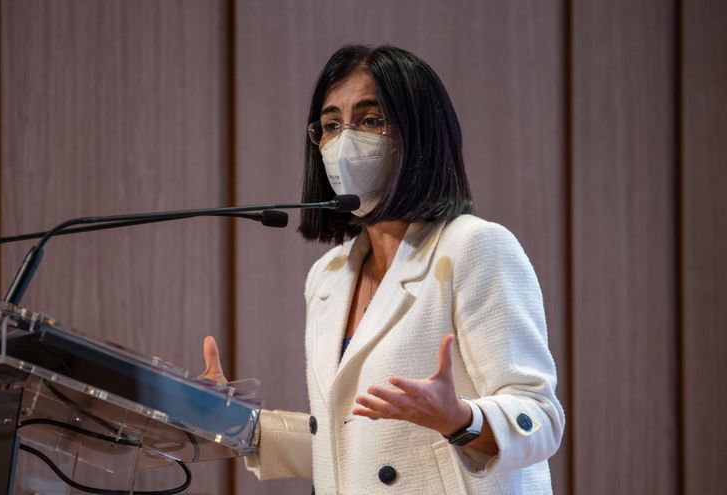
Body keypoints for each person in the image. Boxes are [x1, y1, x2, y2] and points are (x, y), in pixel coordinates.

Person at [201, 45, 565, 494]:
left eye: (370, 120)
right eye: (331, 125)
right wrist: (234, 422)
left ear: (420, 134)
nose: (344, 141)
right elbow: (348, 445)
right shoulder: (328, 275)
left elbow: (541, 419)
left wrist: (460, 419)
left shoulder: (474, 247)